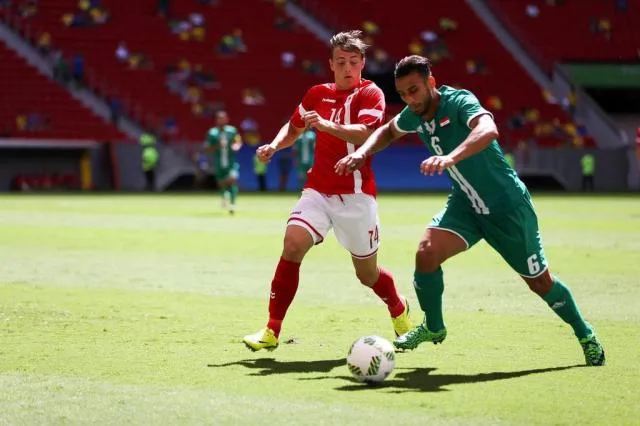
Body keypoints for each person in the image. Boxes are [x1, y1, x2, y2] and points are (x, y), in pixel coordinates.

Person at [335, 55, 605, 366]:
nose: (410, 99)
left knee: (540, 282)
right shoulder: (415, 114)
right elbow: (389, 131)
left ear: (431, 83)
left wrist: (450, 157)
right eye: (404, 94)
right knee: (426, 253)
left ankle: (586, 335)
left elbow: (488, 130)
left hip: (507, 208)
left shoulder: (460, 102)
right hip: (465, 204)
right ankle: (433, 327)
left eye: (415, 90)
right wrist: (363, 153)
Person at [243, 30, 413, 351]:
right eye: (340, 62)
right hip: (318, 190)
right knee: (292, 244)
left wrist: (325, 125)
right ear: (331, 65)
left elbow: (365, 134)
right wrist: (275, 145)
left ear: (362, 63)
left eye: (353, 62)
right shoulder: (316, 94)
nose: (347, 68)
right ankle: (271, 330)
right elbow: (294, 126)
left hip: (357, 196)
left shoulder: (371, 94)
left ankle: (398, 306)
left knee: (367, 275)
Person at [204, 110, 243, 214]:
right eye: (219, 118)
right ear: (216, 120)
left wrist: (236, 146)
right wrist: (216, 146)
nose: (221, 120)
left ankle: (232, 204)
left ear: (227, 119)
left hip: (231, 161)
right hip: (219, 162)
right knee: (221, 183)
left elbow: (238, 141)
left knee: (233, 179)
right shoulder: (213, 133)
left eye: (223, 118)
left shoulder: (232, 131)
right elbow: (207, 147)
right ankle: (224, 195)